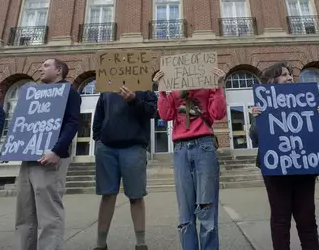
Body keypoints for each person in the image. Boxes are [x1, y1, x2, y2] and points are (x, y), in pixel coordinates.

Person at [249, 62, 319, 250]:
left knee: (307, 218)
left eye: (290, 74)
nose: (290, 77)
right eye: (284, 75)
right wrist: (257, 118)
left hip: (304, 167)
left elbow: (313, 134)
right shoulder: (263, 105)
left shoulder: (305, 100)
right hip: (276, 170)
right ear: (272, 80)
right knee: (280, 219)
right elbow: (255, 138)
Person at [155, 67, 227, 250]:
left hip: (204, 145)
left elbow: (218, 113)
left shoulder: (207, 87)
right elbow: (165, 115)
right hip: (180, 149)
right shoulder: (174, 91)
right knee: (185, 211)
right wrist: (162, 90)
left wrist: (219, 86)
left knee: (207, 207)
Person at [15, 58, 82, 250]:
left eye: (45, 66)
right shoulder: (34, 92)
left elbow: (72, 123)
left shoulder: (69, 92)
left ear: (58, 70)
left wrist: (57, 150)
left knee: (48, 214)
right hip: (28, 157)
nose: (40, 68)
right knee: (24, 213)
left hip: (50, 159)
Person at [91, 80, 157, 250]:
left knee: (136, 196)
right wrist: (97, 139)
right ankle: (100, 244)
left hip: (133, 147)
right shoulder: (108, 86)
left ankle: (141, 243)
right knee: (107, 195)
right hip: (107, 148)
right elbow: (99, 114)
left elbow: (153, 111)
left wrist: (134, 99)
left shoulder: (144, 85)